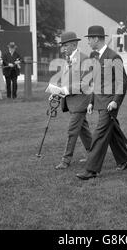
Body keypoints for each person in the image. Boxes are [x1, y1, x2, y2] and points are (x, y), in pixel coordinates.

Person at [76, 25, 127, 180]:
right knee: (113, 132)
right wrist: (91, 102)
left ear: (96, 39)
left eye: (89, 39)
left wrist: (116, 102)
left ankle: (91, 169)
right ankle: (125, 160)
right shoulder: (97, 57)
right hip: (100, 102)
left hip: (109, 104)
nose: (88, 42)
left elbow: (122, 83)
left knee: (99, 135)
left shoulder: (114, 57)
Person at [55, 32, 92, 170]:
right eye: (62, 46)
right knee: (83, 130)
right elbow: (65, 80)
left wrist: (65, 90)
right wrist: (56, 90)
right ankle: (93, 154)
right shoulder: (67, 60)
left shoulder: (84, 59)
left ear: (74, 44)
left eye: (65, 45)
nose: (63, 48)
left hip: (80, 102)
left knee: (72, 130)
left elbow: (84, 84)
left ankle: (66, 160)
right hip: (72, 102)